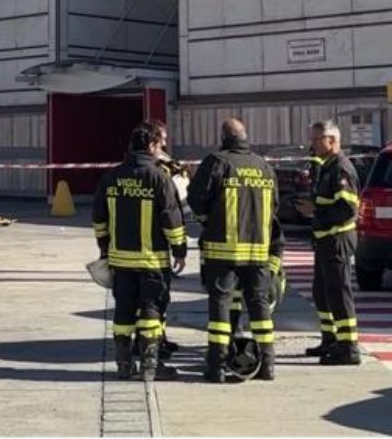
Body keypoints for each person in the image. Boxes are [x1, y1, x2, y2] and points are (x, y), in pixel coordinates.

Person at [188, 118, 282, 383]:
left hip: (223, 250)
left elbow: (196, 200)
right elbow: (274, 207)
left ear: (223, 137)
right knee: (259, 308)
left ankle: (217, 365)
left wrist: (209, 220)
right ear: (245, 136)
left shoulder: (217, 162)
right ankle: (267, 365)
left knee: (220, 306)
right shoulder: (264, 167)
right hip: (257, 251)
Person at [91, 122, 187, 382]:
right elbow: (172, 220)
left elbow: (99, 219)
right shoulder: (159, 178)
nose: (163, 149)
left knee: (123, 311)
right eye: (160, 144)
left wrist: (104, 249)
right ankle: (150, 368)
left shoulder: (111, 177)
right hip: (152, 261)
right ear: (151, 145)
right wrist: (180, 250)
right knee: (151, 312)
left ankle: (124, 366)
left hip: (120, 261)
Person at [309, 119, 361, 366]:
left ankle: (348, 347)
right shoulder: (325, 166)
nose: (312, 143)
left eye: (316, 139)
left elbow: (347, 208)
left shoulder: (341, 168)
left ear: (331, 140)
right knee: (322, 293)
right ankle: (330, 339)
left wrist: (315, 212)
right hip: (324, 239)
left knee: (339, 293)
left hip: (337, 238)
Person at [150, 122, 187, 362]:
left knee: (152, 299)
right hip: (154, 245)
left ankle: (158, 338)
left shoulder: (123, 170)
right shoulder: (160, 170)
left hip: (129, 247)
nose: (165, 144)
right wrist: (179, 248)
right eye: (161, 139)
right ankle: (152, 345)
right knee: (155, 298)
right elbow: (173, 209)